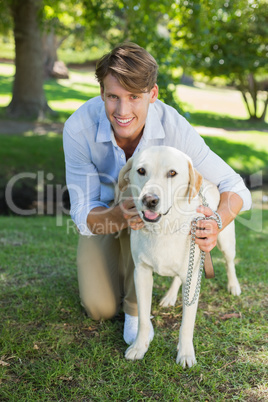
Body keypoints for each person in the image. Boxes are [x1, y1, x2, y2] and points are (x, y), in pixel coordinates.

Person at [63, 42, 251, 344]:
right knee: (99, 308)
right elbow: (83, 210)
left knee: (147, 218)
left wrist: (216, 221)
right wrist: (116, 215)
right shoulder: (78, 129)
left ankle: (137, 308)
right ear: (102, 94)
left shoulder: (175, 128)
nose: (122, 111)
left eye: (134, 97)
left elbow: (235, 186)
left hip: (160, 213)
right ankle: (130, 279)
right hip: (107, 214)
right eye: (113, 97)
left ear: (152, 94)